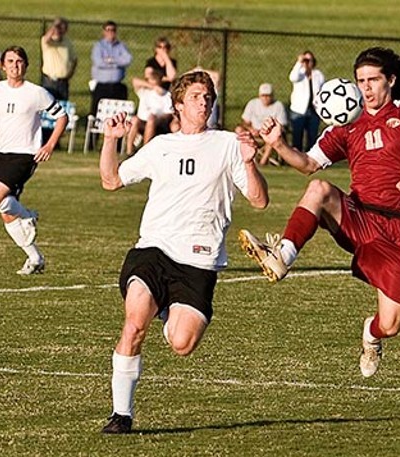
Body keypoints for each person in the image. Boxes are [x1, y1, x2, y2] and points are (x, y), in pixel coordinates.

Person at [239, 47, 400, 379]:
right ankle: (282, 255)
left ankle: (371, 335)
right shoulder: (346, 124)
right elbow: (308, 164)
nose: (366, 87)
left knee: (390, 324)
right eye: (361, 81)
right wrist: (279, 143)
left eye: (373, 80)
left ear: (390, 80)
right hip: (359, 217)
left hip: (399, 230)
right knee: (319, 189)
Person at [98, 70, 268, 434]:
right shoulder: (161, 145)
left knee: (182, 344)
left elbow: (258, 200)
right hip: (153, 250)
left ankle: (167, 309)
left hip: (199, 260)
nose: (203, 103)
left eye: (208, 97)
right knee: (134, 324)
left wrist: (250, 161)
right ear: (178, 104)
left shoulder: (228, 144)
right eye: (195, 97)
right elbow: (111, 181)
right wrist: (110, 140)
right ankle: (121, 415)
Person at [0, 46, 67, 275]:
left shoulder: (36, 92)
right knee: (6, 212)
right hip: (0, 155)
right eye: (10, 61)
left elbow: (62, 116)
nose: (15, 65)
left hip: (25, 155)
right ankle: (35, 258)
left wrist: (49, 145)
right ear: (3, 66)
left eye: (19, 61)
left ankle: (28, 215)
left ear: (25, 65)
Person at [125, 66, 177, 155]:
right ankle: (129, 150)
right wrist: (153, 87)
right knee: (135, 120)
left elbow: (168, 114)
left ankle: (145, 150)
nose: (150, 82)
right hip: (142, 121)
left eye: (154, 80)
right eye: (149, 80)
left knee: (151, 119)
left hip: (158, 122)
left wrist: (157, 118)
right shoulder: (144, 92)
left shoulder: (166, 95)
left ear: (160, 80)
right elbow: (135, 81)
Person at [235, 83, 288, 165]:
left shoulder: (278, 106)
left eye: (268, 95)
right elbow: (245, 122)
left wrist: (267, 131)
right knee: (238, 130)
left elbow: (282, 125)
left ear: (272, 96)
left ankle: (262, 162)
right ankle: (241, 158)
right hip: (254, 132)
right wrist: (251, 129)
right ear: (259, 96)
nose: (265, 98)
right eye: (263, 95)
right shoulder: (252, 103)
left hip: (269, 133)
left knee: (272, 137)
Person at [90, 21, 133, 115]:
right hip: (102, 85)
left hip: (117, 85)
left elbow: (128, 59)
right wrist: (118, 63)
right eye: (108, 30)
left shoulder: (121, 46)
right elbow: (99, 62)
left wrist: (111, 60)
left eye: (113, 30)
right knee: (97, 111)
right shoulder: (99, 46)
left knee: (119, 112)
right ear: (104, 32)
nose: (110, 32)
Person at [288, 51, 325, 152]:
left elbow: (322, 90)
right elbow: (292, 77)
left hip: (314, 110)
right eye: (305, 60)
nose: (308, 63)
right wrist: (299, 63)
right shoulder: (300, 73)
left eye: (310, 60)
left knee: (312, 138)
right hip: (299, 110)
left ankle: (310, 157)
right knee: (297, 137)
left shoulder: (318, 75)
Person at [41, 17, 78, 101]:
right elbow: (46, 38)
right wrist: (55, 26)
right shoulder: (48, 42)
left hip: (63, 82)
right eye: (58, 28)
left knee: (62, 105)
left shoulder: (67, 42)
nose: (60, 31)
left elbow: (74, 59)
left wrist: (70, 73)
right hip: (49, 81)